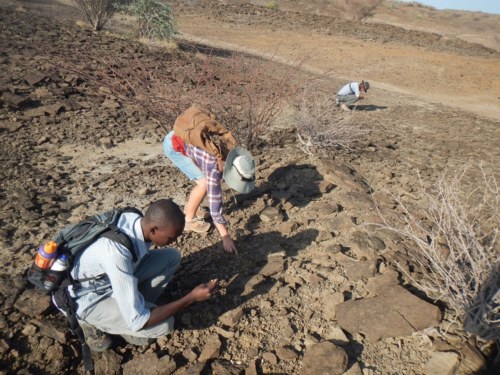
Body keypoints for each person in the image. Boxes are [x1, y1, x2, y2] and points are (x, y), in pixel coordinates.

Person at [63, 199, 218, 351]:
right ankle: (89, 322)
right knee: (164, 325)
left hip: (108, 279)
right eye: (171, 238)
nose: (175, 241)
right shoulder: (116, 254)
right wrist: (191, 298)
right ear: (153, 230)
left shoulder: (136, 219)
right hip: (87, 298)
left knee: (172, 257)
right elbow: (138, 321)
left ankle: (133, 307)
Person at [163, 106, 256, 255]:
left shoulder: (230, 149)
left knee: (202, 175)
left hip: (182, 136)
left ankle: (192, 207)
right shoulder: (214, 168)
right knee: (204, 183)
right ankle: (189, 220)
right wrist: (225, 236)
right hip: (173, 145)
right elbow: (215, 207)